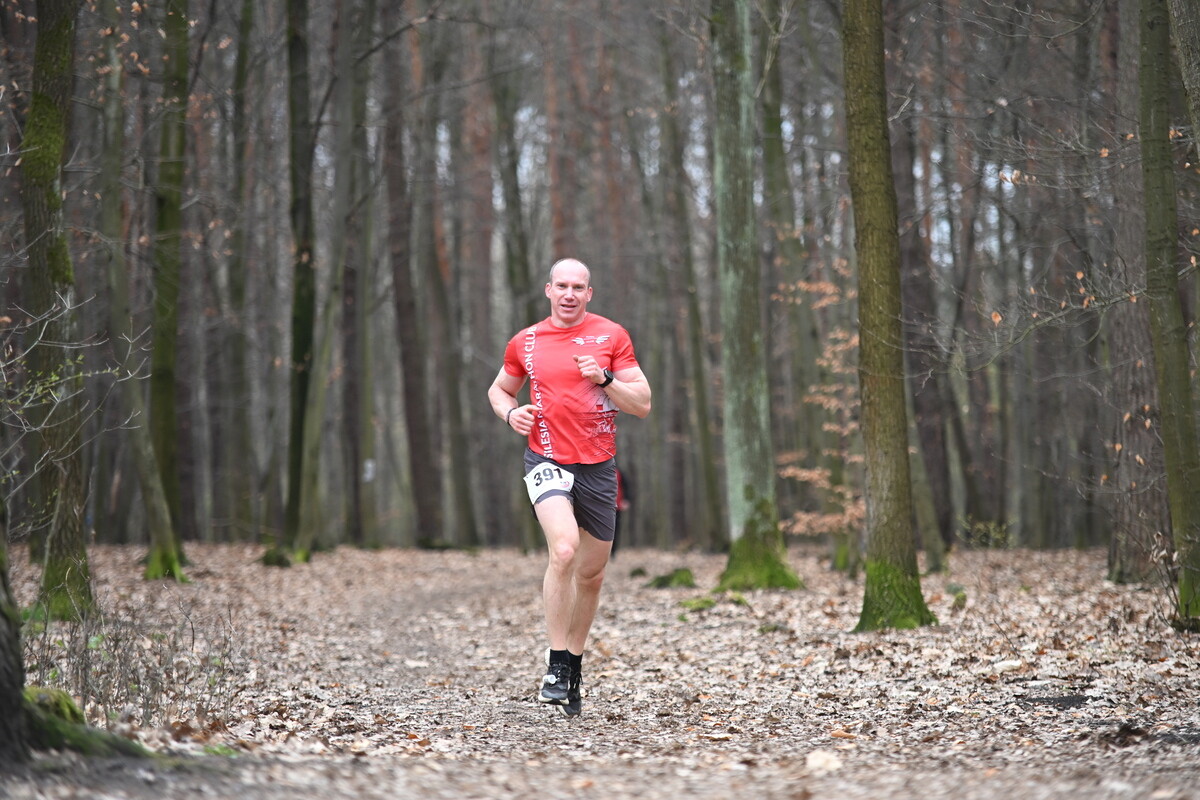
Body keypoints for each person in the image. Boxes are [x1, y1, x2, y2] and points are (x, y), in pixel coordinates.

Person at [488, 258, 651, 717]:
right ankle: (556, 664)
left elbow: (642, 404)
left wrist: (606, 378)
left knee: (592, 575)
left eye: (578, 287)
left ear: (589, 294)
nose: (569, 294)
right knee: (563, 550)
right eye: (562, 285)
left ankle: (574, 663)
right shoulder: (527, 341)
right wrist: (509, 413)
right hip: (547, 459)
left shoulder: (611, 336)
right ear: (548, 290)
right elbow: (500, 390)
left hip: (599, 468)